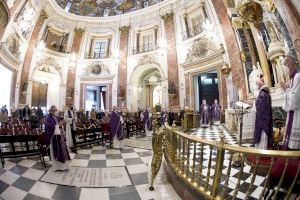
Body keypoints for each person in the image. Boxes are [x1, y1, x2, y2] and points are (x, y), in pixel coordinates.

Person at [280, 55, 300, 150]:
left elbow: (295, 99)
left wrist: (286, 89)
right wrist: (287, 89)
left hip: (297, 113)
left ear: (293, 65)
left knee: (295, 145)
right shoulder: (292, 78)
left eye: (286, 63)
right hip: (293, 113)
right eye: (284, 64)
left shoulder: (297, 77)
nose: (284, 66)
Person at [45, 105, 71, 171]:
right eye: (55, 110)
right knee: (57, 152)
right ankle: (58, 167)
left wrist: (61, 125)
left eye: (57, 110)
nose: (57, 111)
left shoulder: (56, 117)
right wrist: (57, 126)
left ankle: (64, 166)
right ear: (51, 111)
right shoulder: (48, 118)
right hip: (54, 138)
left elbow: (59, 124)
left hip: (60, 137)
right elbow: (49, 128)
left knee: (63, 151)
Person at [253, 77, 273, 149]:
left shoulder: (263, 92)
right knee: (264, 135)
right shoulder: (266, 92)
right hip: (265, 117)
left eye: (257, 84)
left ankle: (262, 150)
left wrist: (255, 102)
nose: (257, 86)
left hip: (263, 118)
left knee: (262, 135)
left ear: (260, 83)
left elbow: (259, 104)